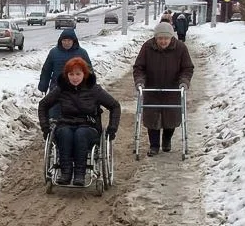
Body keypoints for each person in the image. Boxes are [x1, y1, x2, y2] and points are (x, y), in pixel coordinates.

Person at [37, 57, 121, 187]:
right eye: (71, 74)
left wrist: (112, 128)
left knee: (80, 134)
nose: (74, 78)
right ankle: (65, 173)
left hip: (89, 126)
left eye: (78, 74)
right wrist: (45, 127)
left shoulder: (94, 89)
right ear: (67, 75)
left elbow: (114, 106)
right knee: (65, 134)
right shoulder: (61, 89)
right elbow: (43, 105)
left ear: (84, 74)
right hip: (66, 123)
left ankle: (80, 174)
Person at [133, 21, 194, 156]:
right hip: (152, 88)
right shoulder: (147, 47)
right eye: (160, 38)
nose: (163, 41)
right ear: (156, 38)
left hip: (172, 89)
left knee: (170, 117)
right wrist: (140, 81)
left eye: (166, 38)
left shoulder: (180, 48)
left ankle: (167, 140)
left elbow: (187, 68)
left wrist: (184, 82)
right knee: (152, 119)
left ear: (171, 37)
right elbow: (139, 67)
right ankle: (154, 145)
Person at [37, 28, 93, 94]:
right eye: (64, 40)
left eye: (69, 40)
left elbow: (89, 70)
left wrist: (91, 86)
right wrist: (43, 86)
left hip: (77, 89)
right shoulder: (54, 53)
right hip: (57, 88)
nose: (66, 43)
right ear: (60, 41)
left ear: (73, 41)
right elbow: (46, 71)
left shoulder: (82, 53)